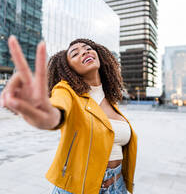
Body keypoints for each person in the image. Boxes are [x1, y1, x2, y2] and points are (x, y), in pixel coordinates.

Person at [0, 35, 137, 194]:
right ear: (68, 67)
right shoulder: (66, 91)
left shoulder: (111, 102)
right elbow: (57, 111)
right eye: (75, 53)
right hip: (77, 189)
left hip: (117, 187)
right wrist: (45, 113)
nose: (84, 53)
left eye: (88, 49)